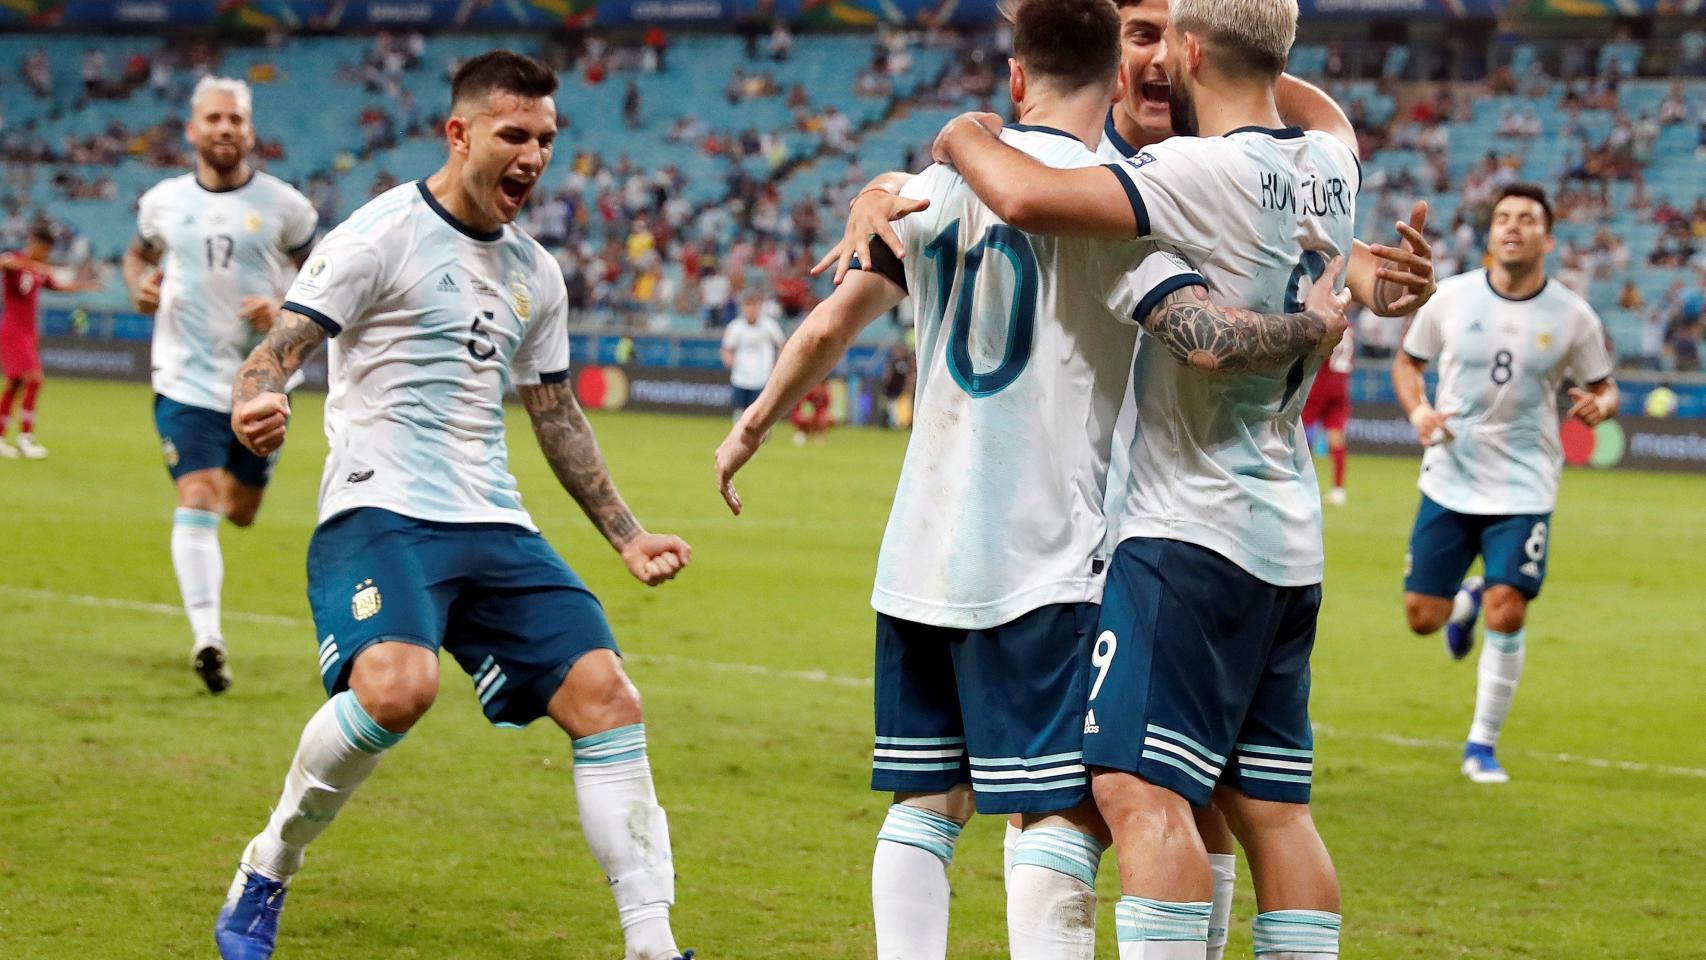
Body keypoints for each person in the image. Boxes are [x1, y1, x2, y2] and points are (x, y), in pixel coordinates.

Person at [716, 3, 1359, 957]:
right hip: (1069, 545)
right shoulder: (1135, 197)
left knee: (927, 804)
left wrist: (753, 424)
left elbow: (825, 323)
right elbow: (1215, 280)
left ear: (1017, 78)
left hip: (926, 542)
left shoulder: (933, 189)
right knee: (1084, 812)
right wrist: (1324, 317)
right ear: (1114, 73)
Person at [927, 0, 1391, 952]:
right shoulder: (1333, 159)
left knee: (1136, 792)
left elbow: (1017, 194)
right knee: (1274, 810)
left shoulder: (1183, 174)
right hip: (1287, 536)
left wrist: (958, 132)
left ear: (1185, 49)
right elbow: (1316, 106)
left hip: (1188, 531)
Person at [211, 52, 694, 960]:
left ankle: (651, 943)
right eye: (515, 135)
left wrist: (626, 536)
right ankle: (268, 863)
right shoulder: (377, 236)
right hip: (379, 509)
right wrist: (254, 399)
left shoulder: (534, 273)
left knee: (609, 697)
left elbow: (555, 412)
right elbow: (277, 350)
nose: (534, 156)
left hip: (495, 521)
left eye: (547, 139)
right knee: (399, 687)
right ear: (459, 132)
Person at [1393, 183, 1618, 785]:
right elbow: (1408, 364)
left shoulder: (1574, 316)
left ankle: (1481, 745)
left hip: (1524, 486)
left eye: (1526, 219)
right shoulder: (1450, 298)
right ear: (1490, 234)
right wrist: (1418, 411)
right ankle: (1464, 597)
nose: (1512, 227)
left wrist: (1603, 405)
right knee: (1421, 616)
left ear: (1547, 237)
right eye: (1502, 218)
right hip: (1450, 478)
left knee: (1508, 609)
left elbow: (1603, 385)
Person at [122, 76, 320, 694]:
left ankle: (210, 617)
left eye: (235, 119)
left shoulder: (288, 207)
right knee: (199, 494)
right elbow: (138, 256)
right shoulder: (161, 202)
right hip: (183, 377)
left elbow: (325, 279)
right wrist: (138, 286)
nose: (225, 129)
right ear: (193, 129)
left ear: (250, 131)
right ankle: (208, 638)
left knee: (241, 510)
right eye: (213, 119)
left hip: (261, 380)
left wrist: (285, 310)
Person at [0, 225, 95, 460]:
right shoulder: (17, 261)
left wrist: (82, 286)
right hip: (13, 331)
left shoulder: (38, 271)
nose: (46, 256)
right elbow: (5, 263)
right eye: (44, 250)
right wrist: (35, 264)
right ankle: (26, 439)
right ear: (34, 245)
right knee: (34, 379)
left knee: (15, 385)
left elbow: (57, 286)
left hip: (28, 333)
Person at [1302, 321, 1354, 505]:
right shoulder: (1350, 329)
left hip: (1321, 384)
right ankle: (1338, 489)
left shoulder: (1330, 323)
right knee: (1336, 438)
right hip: (1341, 385)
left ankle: (1301, 483)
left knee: (1300, 435)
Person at [721, 291, 786, 420]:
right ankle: (738, 435)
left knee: (759, 410)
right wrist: (729, 360)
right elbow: (726, 349)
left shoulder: (769, 325)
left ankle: (760, 435)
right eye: (747, 306)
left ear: (759, 307)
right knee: (740, 409)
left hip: (763, 376)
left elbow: (782, 345)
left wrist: (778, 363)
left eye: (753, 306)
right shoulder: (735, 327)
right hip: (741, 376)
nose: (750, 310)